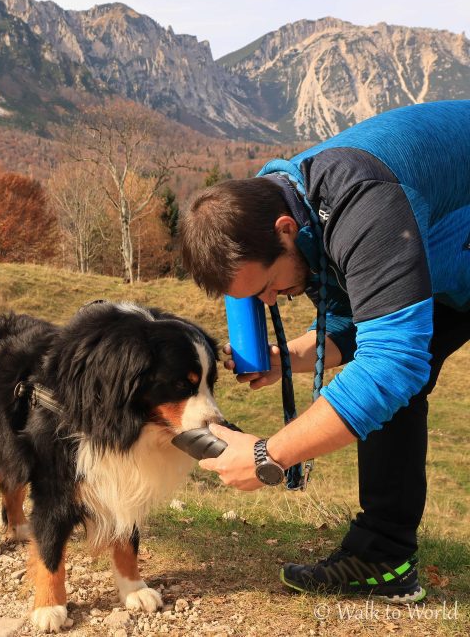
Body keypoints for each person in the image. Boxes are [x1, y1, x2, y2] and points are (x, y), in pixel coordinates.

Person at [179, 100, 470, 603]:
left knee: (391, 379)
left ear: (285, 232)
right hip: (448, 261)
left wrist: (270, 456)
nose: (270, 301)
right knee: (391, 389)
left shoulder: (363, 203)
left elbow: (391, 363)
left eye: (267, 286)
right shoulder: (287, 201)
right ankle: (384, 557)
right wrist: (286, 358)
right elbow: (366, 315)